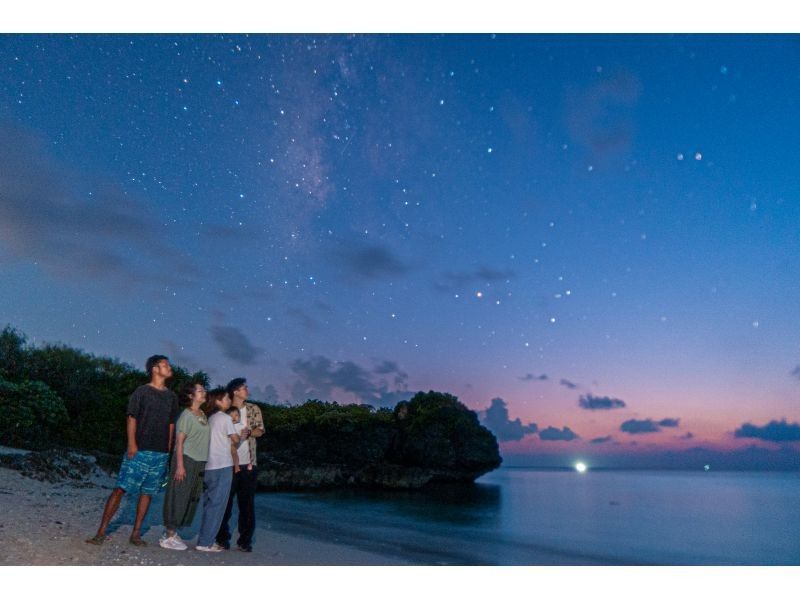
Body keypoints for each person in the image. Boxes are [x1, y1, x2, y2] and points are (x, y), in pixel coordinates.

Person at [87, 355, 179, 547]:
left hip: (160, 453)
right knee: (121, 488)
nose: (169, 367)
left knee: (147, 493)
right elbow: (132, 418)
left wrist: (168, 449)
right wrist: (132, 444)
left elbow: (171, 423)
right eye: (165, 365)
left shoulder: (171, 397)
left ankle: (136, 534)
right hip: (139, 450)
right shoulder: (142, 392)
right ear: (155, 369)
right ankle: (101, 531)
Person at [159, 381, 210, 551]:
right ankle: (168, 535)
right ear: (191, 396)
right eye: (200, 390)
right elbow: (179, 442)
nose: (204, 392)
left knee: (190, 497)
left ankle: (174, 533)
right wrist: (180, 466)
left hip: (199, 461)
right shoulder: (186, 415)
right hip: (186, 459)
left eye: (204, 390)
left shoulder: (202, 414)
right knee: (178, 495)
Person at [216, 377, 264, 552]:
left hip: (249, 464)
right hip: (227, 463)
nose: (247, 390)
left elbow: (260, 430)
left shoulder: (253, 409)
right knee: (225, 503)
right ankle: (222, 539)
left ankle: (245, 541)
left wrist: (250, 431)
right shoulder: (226, 410)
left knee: (247, 505)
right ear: (235, 391)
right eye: (244, 387)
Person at [195, 388, 240, 552]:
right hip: (222, 465)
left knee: (209, 503)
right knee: (217, 505)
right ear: (219, 401)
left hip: (209, 465)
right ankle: (205, 542)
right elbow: (234, 439)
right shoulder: (224, 418)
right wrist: (242, 435)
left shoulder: (210, 418)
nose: (229, 401)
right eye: (227, 398)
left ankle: (205, 539)